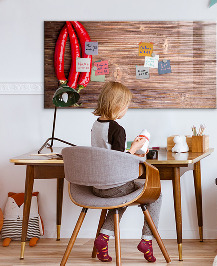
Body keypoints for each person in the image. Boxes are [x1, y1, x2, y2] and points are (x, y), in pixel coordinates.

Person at [91, 81, 161, 263]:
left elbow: (108, 154)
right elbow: (118, 161)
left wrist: (130, 149)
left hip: (97, 186)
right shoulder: (117, 129)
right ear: (117, 105)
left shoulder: (96, 125)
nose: (126, 110)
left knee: (122, 198)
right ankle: (147, 240)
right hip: (114, 186)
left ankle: (103, 238)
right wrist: (135, 149)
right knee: (156, 194)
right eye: (126, 106)